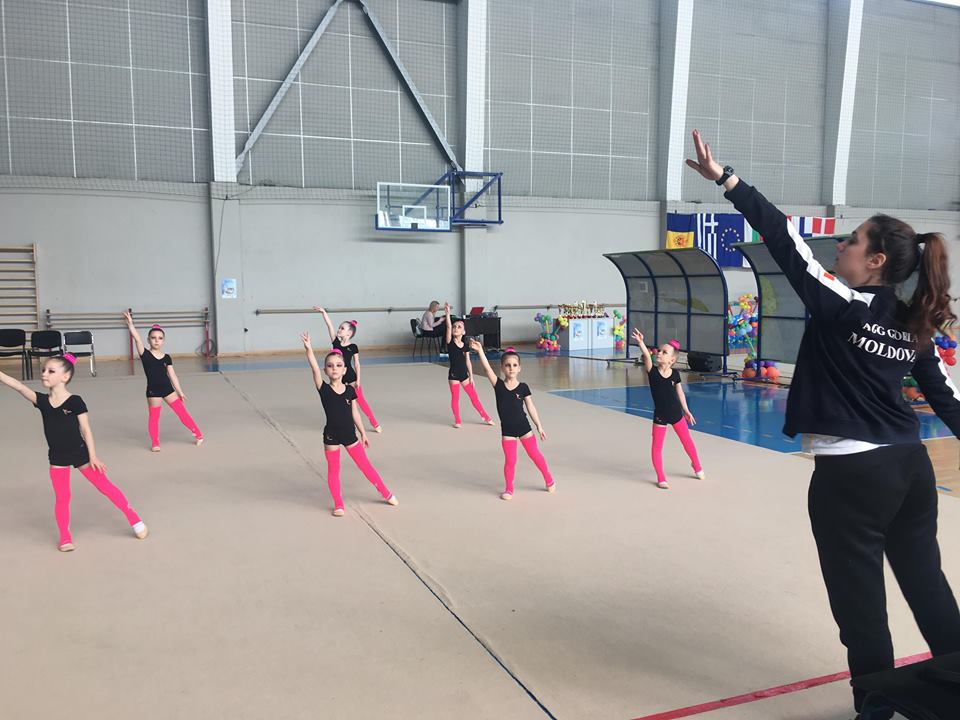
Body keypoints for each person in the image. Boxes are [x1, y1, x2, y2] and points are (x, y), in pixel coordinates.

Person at [686, 128, 960, 716]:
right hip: (911, 471)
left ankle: (876, 708)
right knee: (928, 586)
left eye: (853, 240)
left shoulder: (842, 304)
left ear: (877, 261)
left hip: (851, 478)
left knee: (862, 609)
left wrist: (727, 180)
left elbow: (784, 238)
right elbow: (947, 399)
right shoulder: (915, 326)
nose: (842, 244)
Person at [0, 354, 148, 551]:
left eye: (51, 371)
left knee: (105, 486)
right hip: (57, 456)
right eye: (43, 370)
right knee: (63, 497)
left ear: (65, 376)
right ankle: (65, 536)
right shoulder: (42, 401)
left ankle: (134, 518)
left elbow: (86, 429)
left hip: (80, 453)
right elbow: (18, 386)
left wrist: (93, 456)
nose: (44, 374)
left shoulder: (75, 401)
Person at [301, 333, 398, 517]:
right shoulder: (324, 389)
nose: (334, 369)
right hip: (331, 435)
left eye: (339, 365)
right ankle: (338, 504)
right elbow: (313, 368)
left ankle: (386, 493)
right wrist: (308, 348)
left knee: (366, 466)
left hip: (349, 435)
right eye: (330, 366)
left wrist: (363, 433)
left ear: (345, 370)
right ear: (325, 370)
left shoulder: (350, 391)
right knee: (334, 470)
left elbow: (355, 413)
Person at [469, 342, 555, 500]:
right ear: (502, 368)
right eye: (507, 365)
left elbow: (531, 407)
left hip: (524, 428)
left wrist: (539, 426)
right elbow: (487, 369)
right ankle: (509, 488)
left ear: (519, 368)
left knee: (535, 455)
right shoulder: (498, 385)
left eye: (515, 365)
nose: (511, 368)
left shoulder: (523, 387)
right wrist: (480, 350)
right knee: (510, 460)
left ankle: (548, 478)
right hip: (507, 430)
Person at [631, 330, 704, 489]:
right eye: (659, 350)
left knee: (687, 441)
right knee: (657, 447)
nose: (659, 353)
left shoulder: (675, 374)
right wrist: (641, 342)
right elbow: (646, 355)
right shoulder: (652, 372)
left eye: (664, 352)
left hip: (676, 414)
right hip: (660, 416)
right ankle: (661, 477)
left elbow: (680, 393)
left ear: (672, 360)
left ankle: (697, 465)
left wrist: (686, 410)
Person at [124, 311, 203, 451]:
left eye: (160, 338)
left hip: (168, 389)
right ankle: (155, 443)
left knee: (182, 412)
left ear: (163, 341)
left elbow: (172, 375)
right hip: (153, 391)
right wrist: (131, 325)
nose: (156, 340)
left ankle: (198, 434)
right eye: (153, 338)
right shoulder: (145, 354)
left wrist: (180, 391)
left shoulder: (167, 357)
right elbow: (137, 339)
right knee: (154, 417)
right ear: (148, 340)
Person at [313, 307, 381, 433]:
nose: (339, 329)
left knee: (361, 402)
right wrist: (324, 313)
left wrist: (358, 380)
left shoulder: (353, 347)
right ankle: (348, 424)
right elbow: (329, 326)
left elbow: (357, 364)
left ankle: (374, 422)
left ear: (349, 333)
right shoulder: (336, 343)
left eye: (342, 328)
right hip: (339, 379)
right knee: (344, 404)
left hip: (351, 378)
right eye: (339, 327)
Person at [443, 302, 494, 428]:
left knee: (474, 397)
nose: (456, 328)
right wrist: (448, 314)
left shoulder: (465, 346)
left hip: (464, 375)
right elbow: (448, 327)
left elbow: (468, 361)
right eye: (455, 327)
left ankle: (486, 417)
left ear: (464, 331)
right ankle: (457, 420)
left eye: (459, 327)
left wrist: (471, 376)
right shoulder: (450, 343)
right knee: (455, 398)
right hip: (453, 375)